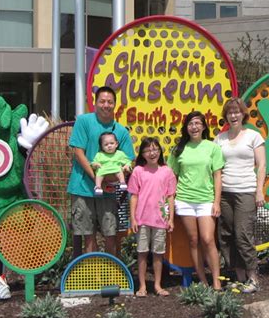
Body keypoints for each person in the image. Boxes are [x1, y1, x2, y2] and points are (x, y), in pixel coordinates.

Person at [67, 86, 134, 255]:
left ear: (115, 105)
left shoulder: (121, 131)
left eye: (110, 102)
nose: (106, 105)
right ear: (95, 103)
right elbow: (78, 152)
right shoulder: (83, 121)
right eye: (102, 101)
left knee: (111, 233)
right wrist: (98, 178)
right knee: (87, 235)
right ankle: (93, 275)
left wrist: (110, 180)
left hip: (110, 192)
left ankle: (110, 274)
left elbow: (128, 160)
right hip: (82, 188)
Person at [167, 111, 224, 290]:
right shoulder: (179, 149)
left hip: (206, 200)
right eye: (191, 123)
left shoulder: (212, 148)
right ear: (186, 127)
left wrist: (216, 202)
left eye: (198, 123)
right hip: (184, 200)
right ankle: (203, 281)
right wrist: (170, 202)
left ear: (204, 126)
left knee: (207, 239)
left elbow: (217, 176)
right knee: (193, 240)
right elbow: (172, 177)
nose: (194, 127)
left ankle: (216, 281)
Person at [215, 97, 266, 293]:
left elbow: (262, 165)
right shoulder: (220, 139)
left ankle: (253, 278)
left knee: (243, 234)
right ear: (226, 116)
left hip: (246, 191)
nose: (233, 115)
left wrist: (259, 190)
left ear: (243, 113)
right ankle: (240, 277)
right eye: (230, 112)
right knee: (226, 235)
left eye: (237, 111)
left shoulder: (253, 136)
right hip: (225, 192)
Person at [128, 137, 177, 297]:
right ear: (142, 153)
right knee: (142, 252)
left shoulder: (167, 171)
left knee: (158, 253)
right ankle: (142, 286)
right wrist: (133, 219)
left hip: (160, 220)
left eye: (155, 149)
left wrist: (170, 219)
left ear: (160, 151)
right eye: (148, 150)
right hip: (142, 219)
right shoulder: (138, 171)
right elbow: (134, 196)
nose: (152, 153)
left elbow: (170, 196)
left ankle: (157, 285)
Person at [91, 132, 132, 196]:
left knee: (119, 171)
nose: (109, 146)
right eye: (106, 144)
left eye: (112, 143)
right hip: (104, 171)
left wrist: (127, 165)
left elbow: (127, 161)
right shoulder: (99, 154)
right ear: (102, 147)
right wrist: (95, 165)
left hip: (116, 171)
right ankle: (98, 186)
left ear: (116, 144)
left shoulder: (120, 154)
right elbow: (93, 163)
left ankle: (122, 183)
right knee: (99, 173)